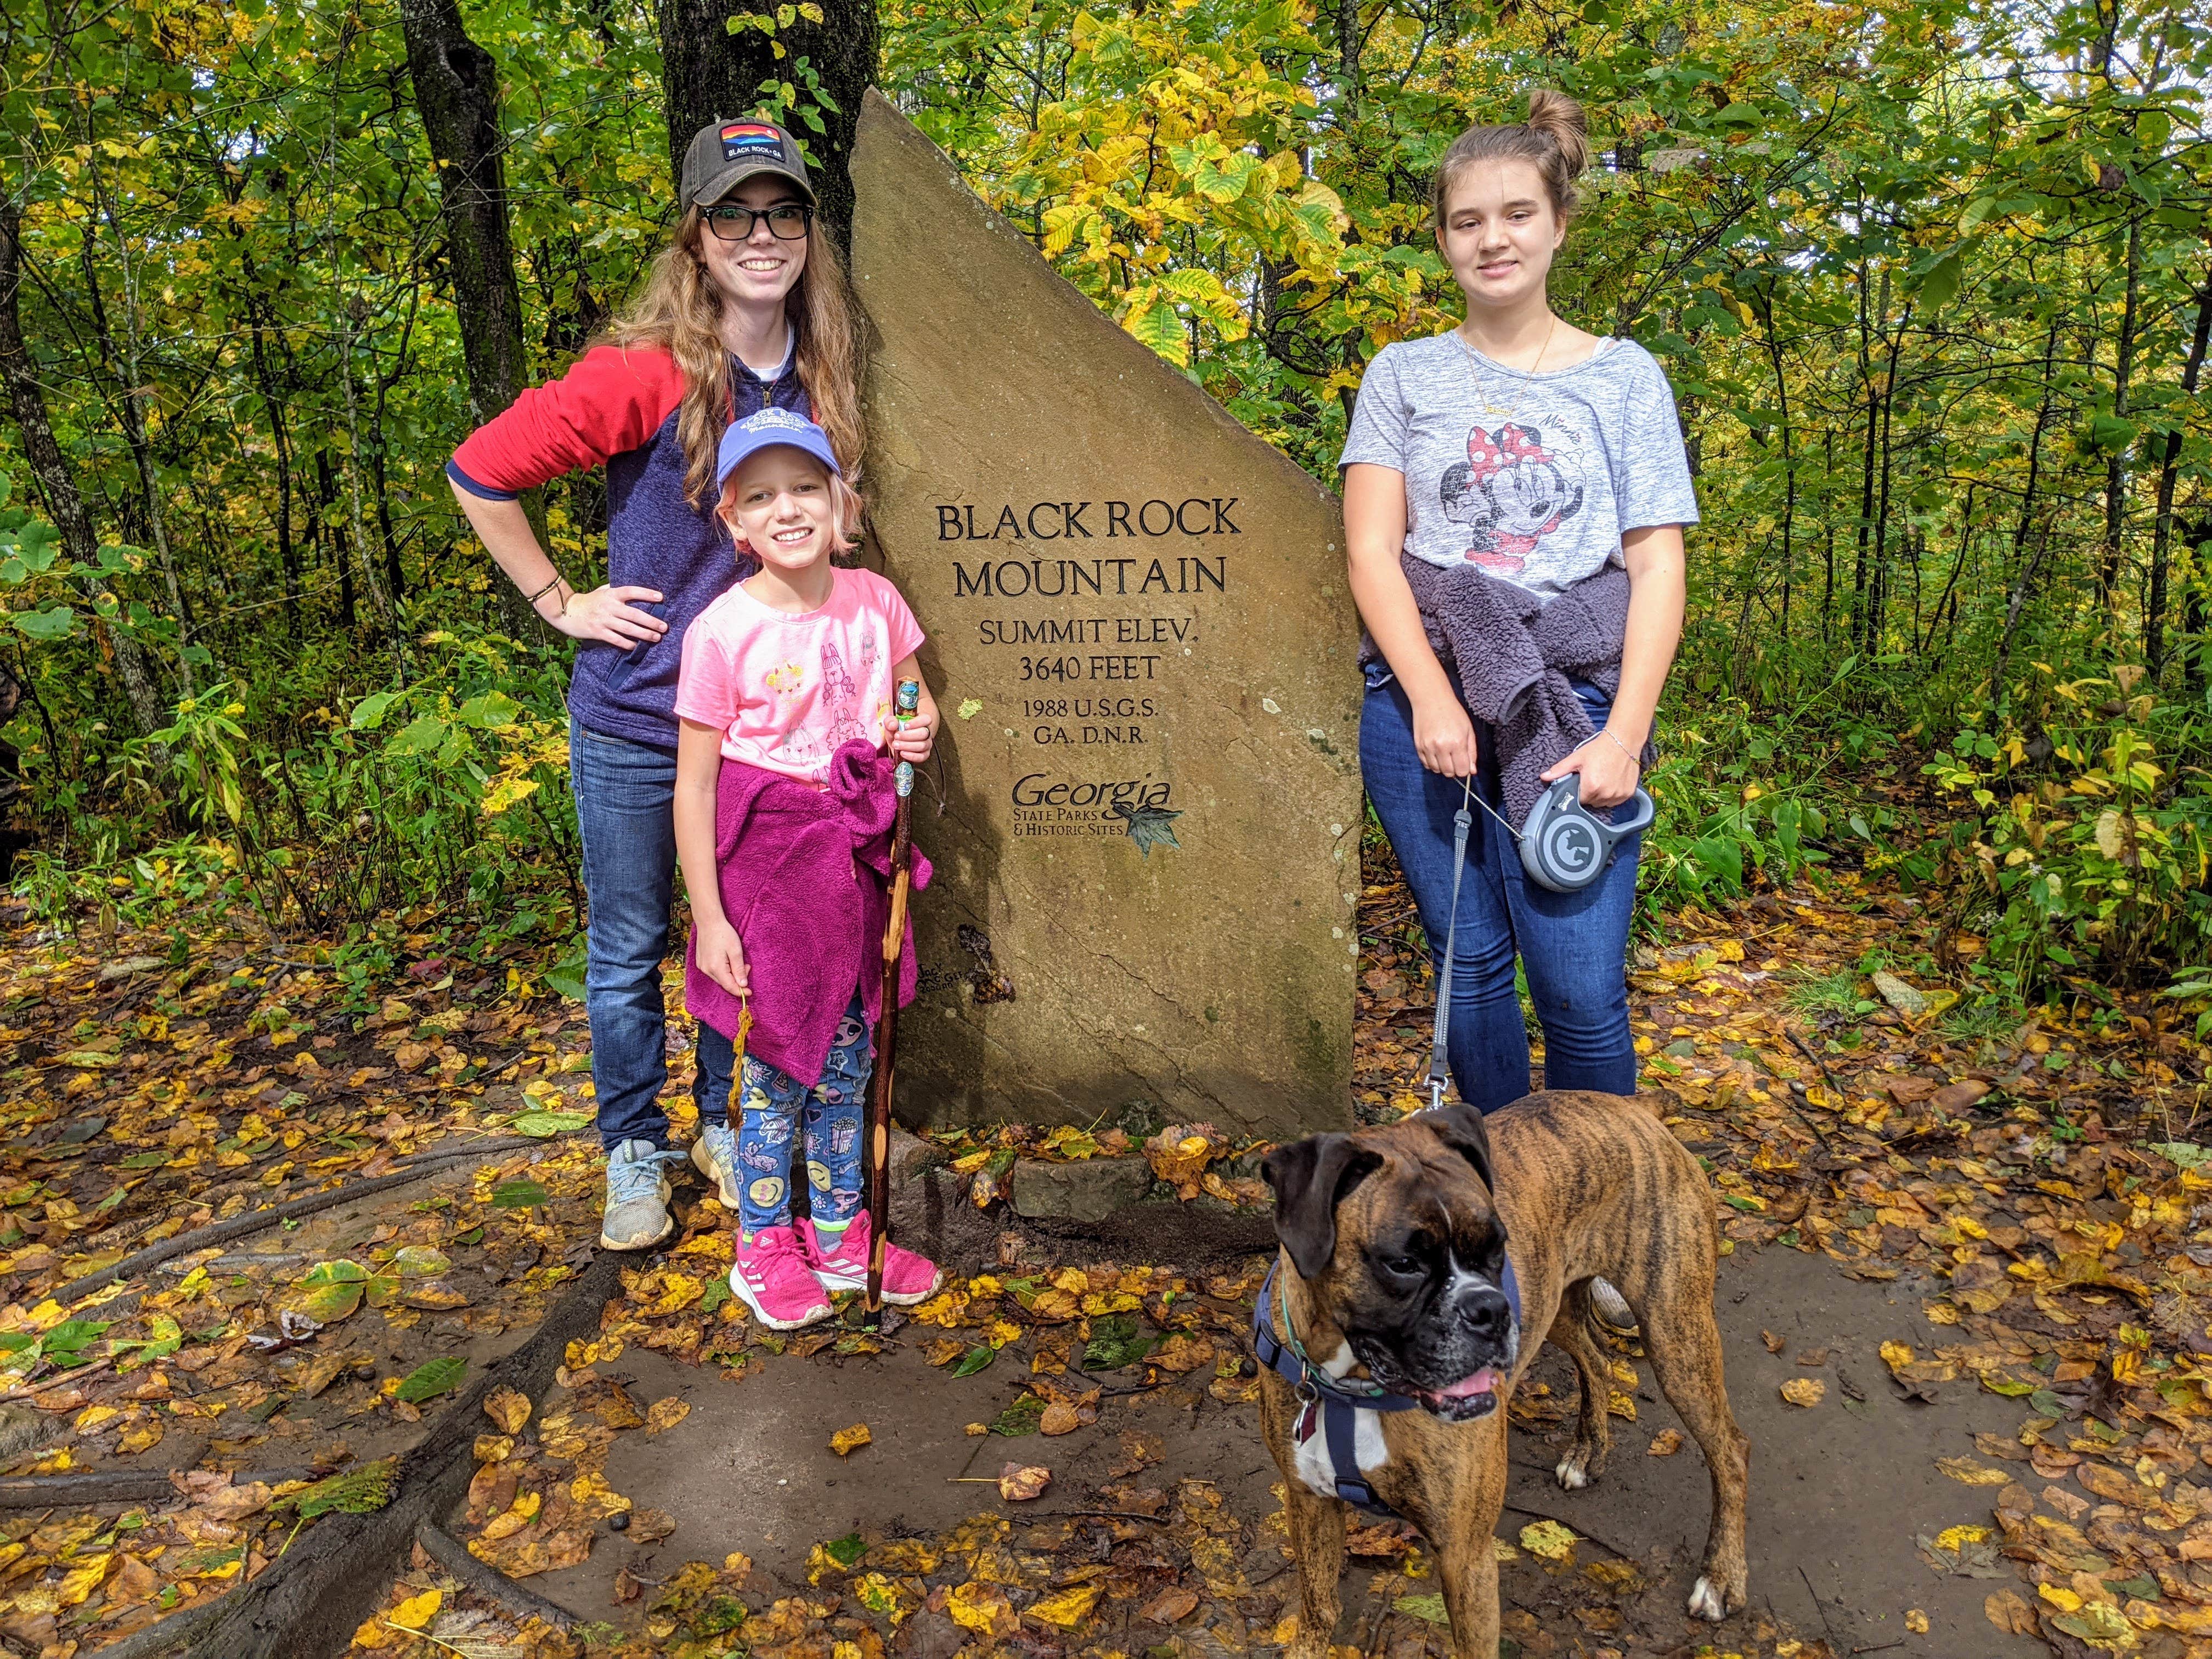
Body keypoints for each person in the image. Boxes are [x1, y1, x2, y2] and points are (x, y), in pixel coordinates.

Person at [445, 119, 868, 1250]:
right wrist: (558, 602)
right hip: (639, 717)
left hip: (765, 730)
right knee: (631, 946)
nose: (761, 235)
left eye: (783, 212)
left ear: (810, 235)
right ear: (696, 238)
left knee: (738, 943)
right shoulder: (651, 370)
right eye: (734, 214)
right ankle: (633, 1149)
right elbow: (480, 470)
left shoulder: (828, 370)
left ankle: (724, 1128)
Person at [1340, 91, 1695, 1329]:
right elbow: (1377, 555)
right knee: (1473, 969)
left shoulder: (1624, 379)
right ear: (1440, 239)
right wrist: (1434, 697)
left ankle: (1607, 1228)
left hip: (1573, 705)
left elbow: (1655, 564)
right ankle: (1500, 1222)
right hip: (1426, 706)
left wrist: (1621, 737)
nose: (1492, 239)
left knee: (1584, 993)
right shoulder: (1404, 375)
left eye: (1516, 215)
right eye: (1466, 221)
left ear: (1557, 223)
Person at [671, 407, 943, 1329]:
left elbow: (915, 698)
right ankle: (760, 1244)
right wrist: (710, 919)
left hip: (858, 850)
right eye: (760, 496)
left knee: (849, 1053)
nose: (786, 509)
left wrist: (916, 725)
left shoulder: (876, 600)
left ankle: (839, 1234)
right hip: (771, 864)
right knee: (779, 1063)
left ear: (840, 502)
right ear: (734, 523)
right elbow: (697, 785)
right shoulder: (719, 631)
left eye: (804, 488)